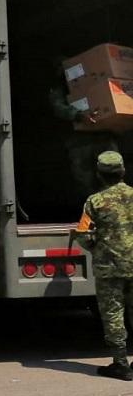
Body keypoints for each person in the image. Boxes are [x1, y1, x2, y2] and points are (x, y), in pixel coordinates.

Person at [74, 151, 133, 381]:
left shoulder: (95, 201)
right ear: (123, 171)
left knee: (113, 314)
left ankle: (121, 364)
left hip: (109, 267)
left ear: (99, 175)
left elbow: (82, 233)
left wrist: (95, 247)